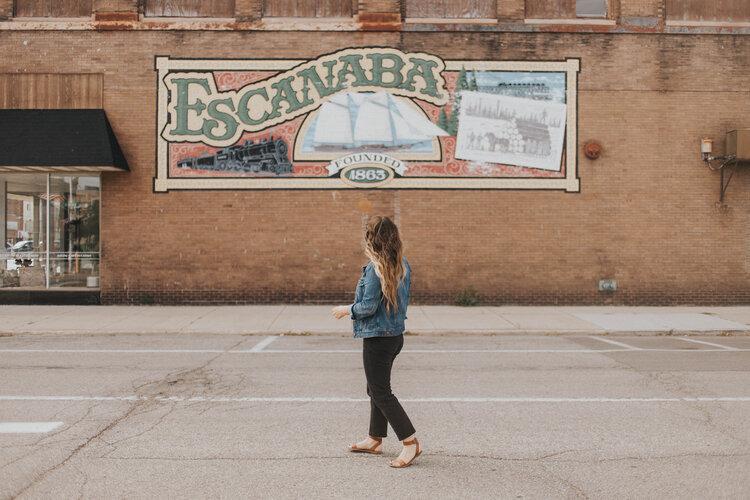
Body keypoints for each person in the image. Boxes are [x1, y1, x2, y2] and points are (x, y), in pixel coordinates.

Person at [331, 215, 421, 468]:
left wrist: (346, 309)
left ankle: (410, 442)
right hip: (394, 337)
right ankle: (374, 439)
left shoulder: (375, 268)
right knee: (375, 388)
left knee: (381, 391)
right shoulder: (402, 264)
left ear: (373, 241)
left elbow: (368, 306)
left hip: (377, 339)